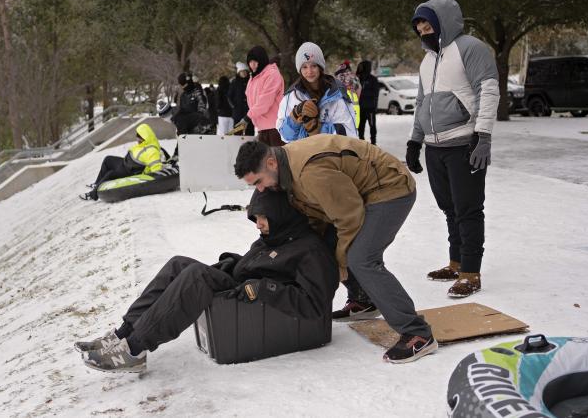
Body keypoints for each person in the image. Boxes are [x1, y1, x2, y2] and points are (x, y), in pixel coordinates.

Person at [76, 189, 338, 373]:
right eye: (255, 218)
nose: (257, 224)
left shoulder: (310, 251)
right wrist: (233, 264)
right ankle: (123, 334)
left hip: (254, 298)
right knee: (179, 263)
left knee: (196, 276)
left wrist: (265, 288)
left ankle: (134, 349)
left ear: (280, 214)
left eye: (261, 217)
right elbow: (257, 265)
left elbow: (315, 303)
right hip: (241, 287)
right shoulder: (275, 237)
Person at [234, 136, 438, 363]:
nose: (260, 189)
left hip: (389, 189)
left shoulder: (310, 173)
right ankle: (363, 299)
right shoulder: (285, 169)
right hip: (360, 194)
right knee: (322, 247)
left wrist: (341, 264)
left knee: (361, 259)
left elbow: (349, 217)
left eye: (258, 182)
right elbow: (322, 211)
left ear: (271, 163)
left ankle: (417, 333)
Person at [406, 0, 498, 298]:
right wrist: (415, 140)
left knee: (468, 209)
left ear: (443, 21)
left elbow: (489, 90)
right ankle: (456, 262)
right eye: (419, 26)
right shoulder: (427, 60)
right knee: (449, 209)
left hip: (463, 142)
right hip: (435, 147)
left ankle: (471, 272)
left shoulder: (470, 48)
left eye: (427, 23)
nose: (423, 30)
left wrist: (482, 136)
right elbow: (422, 103)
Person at [276, 42, 358, 143]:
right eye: (304, 67)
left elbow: (350, 135)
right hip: (301, 156)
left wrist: (318, 130)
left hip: (330, 157)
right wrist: (294, 118)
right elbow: (284, 136)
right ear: (299, 70)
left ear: (320, 67)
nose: (309, 71)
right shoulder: (291, 97)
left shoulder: (337, 96)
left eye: (313, 66)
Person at [80, 124, 163, 201]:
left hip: (130, 171)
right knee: (108, 159)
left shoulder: (152, 151)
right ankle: (97, 184)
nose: (137, 138)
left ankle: (93, 195)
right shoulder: (144, 144)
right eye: (137, 135)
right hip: (125, 163)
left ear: (145, 137)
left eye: (138, 136)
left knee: (110, 174)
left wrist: (146, 176)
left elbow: (156, 168)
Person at [242, 45, 285, 146]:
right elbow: (250, 99)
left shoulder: (272, 75)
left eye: (255, 61)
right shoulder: (253, 77)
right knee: (264, 160)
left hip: (275, 128)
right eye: (250, 62)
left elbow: (264, 102)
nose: (252, 65)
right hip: (262, 128)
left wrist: (247, 117)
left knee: (276, 159)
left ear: (262, 60)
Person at [356, 60, 380, 145]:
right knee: (360, 126)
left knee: (372, 126)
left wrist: (375, 106)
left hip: (370, 108)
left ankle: (373, 143)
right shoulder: (358, 78)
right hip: (360, 108)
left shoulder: (373, 79)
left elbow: (376, 93)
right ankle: (361, 141)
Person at [228, 62, 254, 135]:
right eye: (242, 72)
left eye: (245, 71)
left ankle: (250, 145)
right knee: (237, 132)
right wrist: (233, 106)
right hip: (238, 112)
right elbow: (229, 96)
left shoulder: (251, 81)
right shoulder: (234, 82)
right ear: (239, 73)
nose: (243, 73)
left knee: (250, 132)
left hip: (249, 112)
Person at [334, 60, 361, 129]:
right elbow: (359, 89)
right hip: (353, 102)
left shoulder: (337, 77)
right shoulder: (354, 77)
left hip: (340, 102)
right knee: (354, 126)